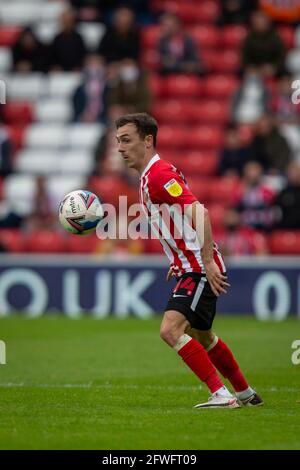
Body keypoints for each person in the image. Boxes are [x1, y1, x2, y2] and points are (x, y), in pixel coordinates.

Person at [115, 112, 263, 409]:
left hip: (199, 268)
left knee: (170, 330)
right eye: (118, 141)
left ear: (147, 141)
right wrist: (179, 258)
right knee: (204, 336)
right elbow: (180, 222)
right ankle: (246, 393)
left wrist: (204, 261)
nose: (120, 147)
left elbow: (200, 213)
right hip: (190, 265)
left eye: (127, 140)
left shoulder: (158, 175)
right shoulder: (151, 176)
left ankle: (220, 394)